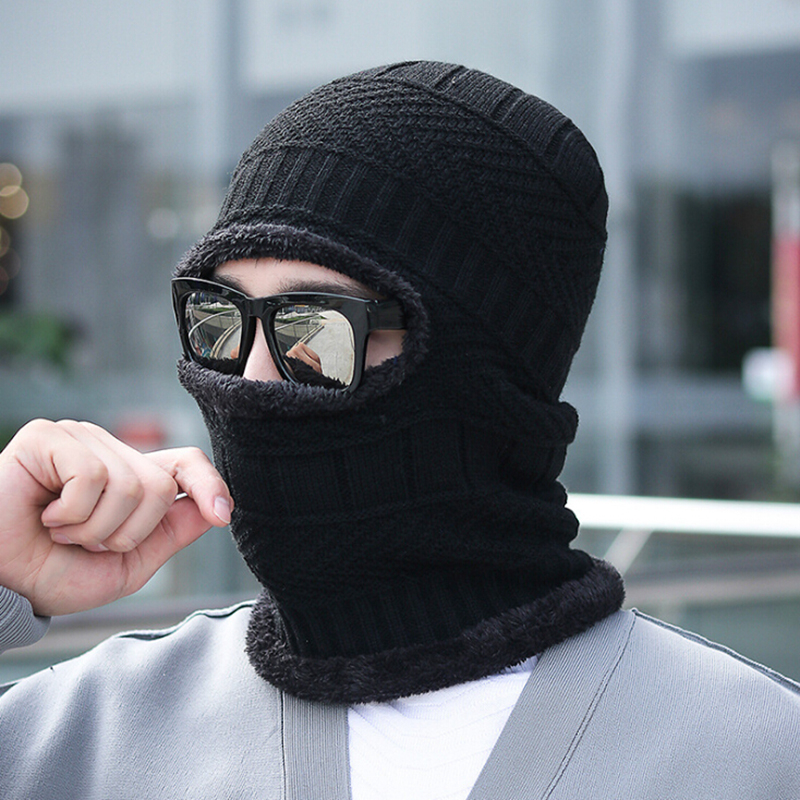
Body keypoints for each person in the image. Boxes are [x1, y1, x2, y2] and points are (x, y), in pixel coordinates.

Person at [0, 61, 798, 799]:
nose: (250, 380)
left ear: (484, 365)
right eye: (220, 319)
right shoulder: (81, 735)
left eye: (315, 327)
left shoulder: (753, 755)